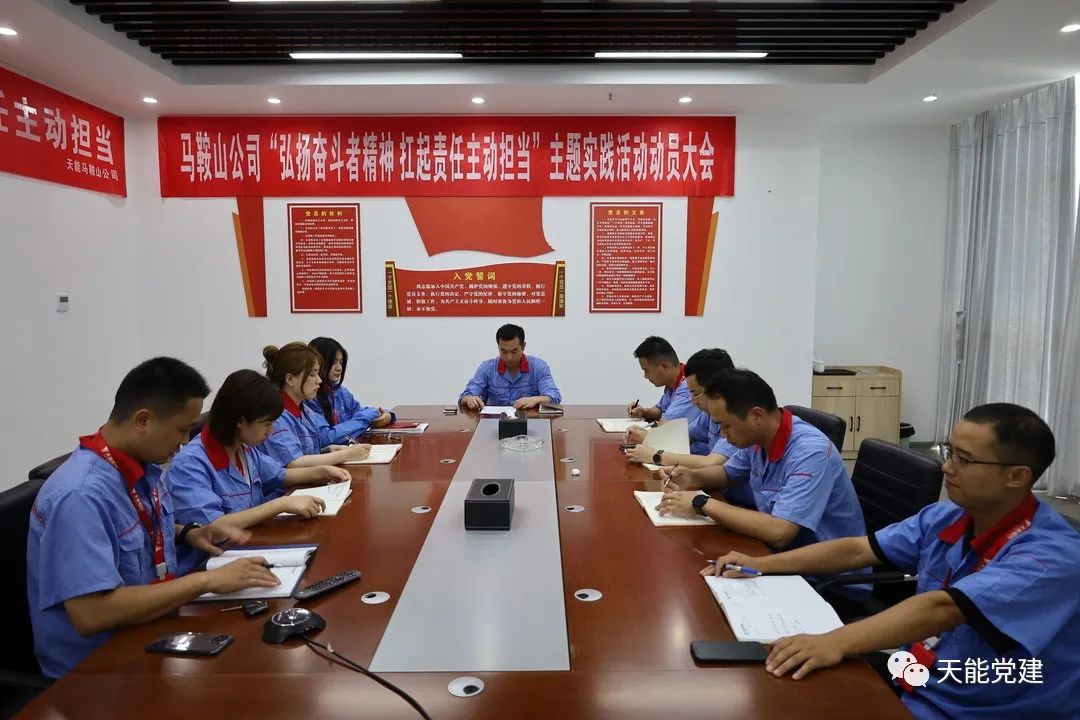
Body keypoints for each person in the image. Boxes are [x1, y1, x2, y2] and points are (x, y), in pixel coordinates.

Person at [705, 403, 1080, 720]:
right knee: (772, 684)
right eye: (949, 452)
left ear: (1017, 476)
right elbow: (857, 550)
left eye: (964, 460)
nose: (947, 468)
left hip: (981, 706)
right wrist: (759, 564)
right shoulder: (948, 516)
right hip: (919, 676)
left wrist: (834, 642)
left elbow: (944, 608)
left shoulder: (1051, 556)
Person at [27, 357, 281, 679]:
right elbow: (92, 612)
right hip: (99, 673)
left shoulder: (141, 466)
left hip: (154, 628)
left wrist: (186, 533)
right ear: (143, 420)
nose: (184, 442)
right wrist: (206, 581)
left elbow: (127, 529)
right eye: (182, 429)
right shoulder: (80, 496)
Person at [658, 368, 864, 550]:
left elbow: (780, 532)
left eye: (726, 425)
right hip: (773, 549)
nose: (722, 434)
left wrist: (701, 502)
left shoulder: (811, 452)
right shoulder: (758, 437)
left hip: (821, 572)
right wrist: (692, 477)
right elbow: (727, 473)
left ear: (756, 415)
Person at [168, 369, 352, 532]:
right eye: (266, 424)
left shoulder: (244, 449)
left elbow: (280, 475)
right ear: (240, 421)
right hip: (216, 557)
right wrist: (280, 504)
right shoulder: (189, 464)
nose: (270, 431)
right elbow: (212, 528)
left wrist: (323, 471)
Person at [258, 342, 370, 467]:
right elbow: (292, 463)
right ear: (290, 379)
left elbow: (305, 452)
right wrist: (345, 455)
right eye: (312, 374)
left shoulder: (305, 411)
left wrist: (327, 451)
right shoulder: (276, 416)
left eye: (318, 374)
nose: (319, 380)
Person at [624, 348, 738, 465]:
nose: (693, 401)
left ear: (717, 391)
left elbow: (712, 463)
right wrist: (646, 436)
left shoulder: (736, 418)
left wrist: (655, 456)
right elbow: (682, 436)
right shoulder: (709, 414)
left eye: (695, 394)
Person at [308, 336, 395, 443]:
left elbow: (360, 412)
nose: (339, 368)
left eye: (341, 362)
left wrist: (388, 416)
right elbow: (328, 438)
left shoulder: (340, 392)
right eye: (334, 362)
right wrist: (369, 416)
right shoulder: (309, 397)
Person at [459, 324, 561, 411]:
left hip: (529, 421)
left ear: (523, 346)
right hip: (494, 422)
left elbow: (554, 396)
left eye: (514, 351)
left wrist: (535, 399)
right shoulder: (487, 368)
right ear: (498, 347)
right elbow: (466, 395)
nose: (509, 357)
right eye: (503, 351)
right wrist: (469, 399)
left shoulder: (538, 367)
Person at [626, 336, 702, 428]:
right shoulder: (675, 381)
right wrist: (643, 412)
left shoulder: (688, 388)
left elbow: (664, 427)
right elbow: (660, 410)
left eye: (647, 371)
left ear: (664, 366)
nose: (645, 376)